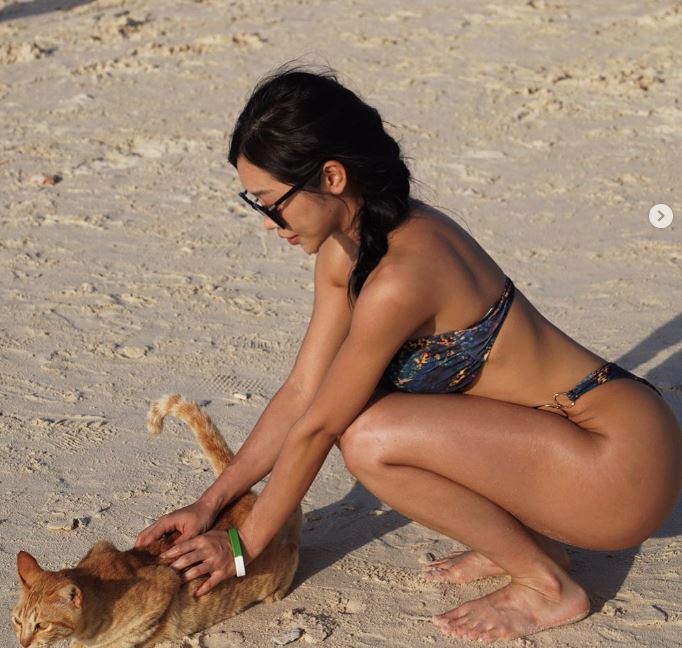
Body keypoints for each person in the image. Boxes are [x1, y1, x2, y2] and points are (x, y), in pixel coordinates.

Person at [135, 66, 682, 642]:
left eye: (274, 203)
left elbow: (320, 425)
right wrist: (210, 505)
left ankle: (547, 586)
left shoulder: (402, 274)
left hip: (619, 466)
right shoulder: (347, 249)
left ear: (332, 176)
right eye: (257, 204)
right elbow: (302, 391)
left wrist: (244, 545)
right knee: (365, 419)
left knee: (368, 437)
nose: (271, 224)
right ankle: (525, 543)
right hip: (564, 438)